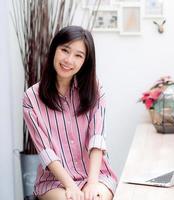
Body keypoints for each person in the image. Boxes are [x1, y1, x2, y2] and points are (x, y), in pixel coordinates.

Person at [23, 26, 117, 200]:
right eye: (65, 50)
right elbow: (46, 151)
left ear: (85, 61)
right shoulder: (31, 98)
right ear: (54, 50)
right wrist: (71, 186)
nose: (69, 60)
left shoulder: (94, 88)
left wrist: (92, 182)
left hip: (96, 175)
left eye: (78, 55)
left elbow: (97, 137)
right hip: (54, 181)